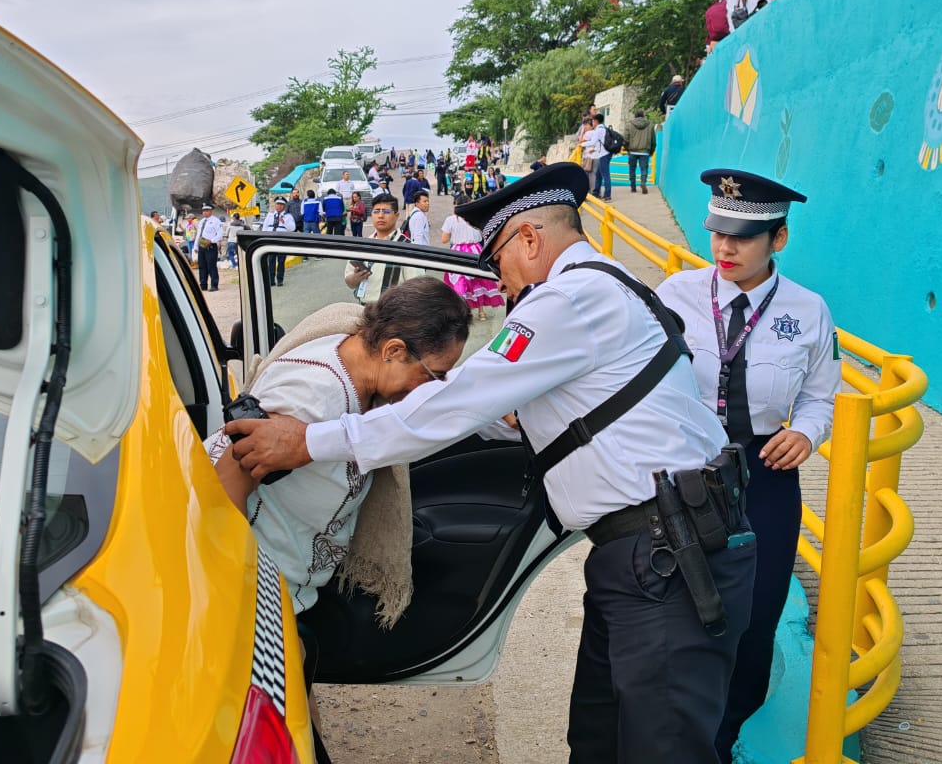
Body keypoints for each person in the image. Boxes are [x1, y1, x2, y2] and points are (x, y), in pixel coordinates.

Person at [228, 163, 757, 764]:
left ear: (529, 238)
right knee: (600, 741)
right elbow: (492, 407)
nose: (500, 282)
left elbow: (456, 401)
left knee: (660, 750)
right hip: (646, 555)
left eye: (498, 257)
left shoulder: (570, 299)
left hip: (668, 554)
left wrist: (311, 441)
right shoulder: (603, 290)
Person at [656, 169, 840, 764]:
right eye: (718, 233)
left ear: (778, 240)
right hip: (685, 466)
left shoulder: (808, 311)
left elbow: (819, 396)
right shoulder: (676, 294)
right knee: (676, 604)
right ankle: (676, 728)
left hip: (764, 473)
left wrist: (807, 434)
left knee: (757, 613)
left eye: (743, 237)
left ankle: (725, 733)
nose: (725, 249)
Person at [207, 277, 470, 615]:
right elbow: (223, 487)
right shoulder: (311, 398)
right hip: (257, 589)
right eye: (434, 375)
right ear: (393, 350)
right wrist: (239, 596)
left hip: (284, 582)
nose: (431, 388)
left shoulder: (352, 339)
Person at [440, 193, 504, 321]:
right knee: (478, 281)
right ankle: (481, 312)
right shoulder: (476, 218)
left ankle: (462, 312)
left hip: (458, 252)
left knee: (460, 282)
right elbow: (483, 235)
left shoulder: (451, 220)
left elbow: (444, 239)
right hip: (475, 250)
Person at [342, 192, 413, 303]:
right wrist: (356, 278)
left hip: (392, 314)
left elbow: (415, 289)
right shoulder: (363, 245)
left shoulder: (407, 247)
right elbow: (349, 282)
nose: (380, 216)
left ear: (397, 216)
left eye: (386, 211)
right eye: (376, 211)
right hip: (363, 310)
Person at [261, 197, 297, 286]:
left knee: (281, 261)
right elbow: (265, 227)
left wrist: (284, 222)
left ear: (284, 206)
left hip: (281, 240)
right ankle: (271, 280)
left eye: (281, 205)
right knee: (271, 261)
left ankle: (280, 280)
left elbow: (292, 228)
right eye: (277, 204)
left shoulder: (288, 216)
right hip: (271, 239)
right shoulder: (270, 215)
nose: (279, 206)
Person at [581, 112, 611, 202]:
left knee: (605, 175)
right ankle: (596, 193)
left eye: (593, 121)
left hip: (603, 154)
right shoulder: (604, 129)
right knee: (598, 174)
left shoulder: (599, 130)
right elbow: (599, 143)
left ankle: (608, 196)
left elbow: (593, 142)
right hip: (605, 153)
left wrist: (581, 144)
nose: (592, 123)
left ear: (596, 121)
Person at [624, 109, 654, 194]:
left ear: (635, 115)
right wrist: (651, 151)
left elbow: (626, 138)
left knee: (632, 169)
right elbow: (653, 140)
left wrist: (627, 148)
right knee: (644, 169)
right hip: (645, 151)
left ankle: (633, 187)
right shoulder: (650, 125)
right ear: (643, 115)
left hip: (632, 151)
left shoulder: (629, 125)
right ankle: (643, 183)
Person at [195, 203, 223, 291]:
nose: (205, 213)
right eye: (203, 211)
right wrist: (195, 246)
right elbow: (198, 234)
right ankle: (203, 284)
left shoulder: (216, 221)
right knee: (202, 266)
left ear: (211, 211)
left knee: (211, 266)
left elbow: (220, 235)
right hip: (201, 245)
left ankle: (214, 285)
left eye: (207, 211)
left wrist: (212, 240)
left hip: (210, 246)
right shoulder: (202, 221)